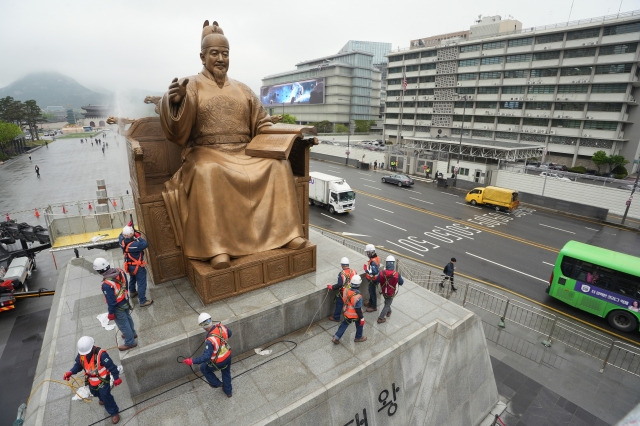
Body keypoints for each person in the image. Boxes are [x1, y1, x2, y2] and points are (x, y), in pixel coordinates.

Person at [160, 20, 306, 270]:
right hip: (206, 151)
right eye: (214, 53)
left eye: (225, 54)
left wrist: (281, 135)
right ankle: (217, 248)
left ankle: (287, 234)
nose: (220, 58)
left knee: (278, 166)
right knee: (207, 172)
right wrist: (175, 102)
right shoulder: (190, 85)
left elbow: (262, 122)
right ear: (202, 56)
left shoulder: (243, 89)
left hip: (244, 150)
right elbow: (176, 130)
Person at [63, 336, 122, 424]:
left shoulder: (102, 355)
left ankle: (114, 412)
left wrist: (116, 377)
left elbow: (111, 366)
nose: (84, 355)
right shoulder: (82, 355)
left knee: (105, 395)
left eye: (85, 353)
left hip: (103, 380)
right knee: (94, 392)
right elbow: (78, 365)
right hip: (91, 381)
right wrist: (70, 372)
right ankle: (101, 398)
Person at [182, 313, 233, 397]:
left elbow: (206, 357)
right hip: (228, 356)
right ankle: (228, 392)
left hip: (218, 362)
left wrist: (192, 361)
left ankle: (217, 384)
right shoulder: (221, 326)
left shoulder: (210, 340)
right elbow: (230, 333)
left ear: (203, 326)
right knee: (226, 373)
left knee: (204, 368)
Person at [93, 258, 137, 350]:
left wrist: (111, 313)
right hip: (125, 300)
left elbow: (111, 301)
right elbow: (126, 284)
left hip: (117, 306)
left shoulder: (107, 284)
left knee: (123, 324)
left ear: (99, 271)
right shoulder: (120, 271)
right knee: (128, 318)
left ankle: (130, 342)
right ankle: (132, 334)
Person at [118, 225, 153, 307]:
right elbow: (144, 244)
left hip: (129, 265)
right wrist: (139, 237)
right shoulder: (135, 244)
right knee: (141, 283)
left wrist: (128, 226)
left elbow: (120, 235)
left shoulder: (121, 241)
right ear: (132, 234)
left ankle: (132, 292)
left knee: (132, 278)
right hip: (138, 267)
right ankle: (142, 301)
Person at [331, 275, 367, 344]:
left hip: (347, 312)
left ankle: (336, 337)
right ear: (359, 284)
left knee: (343, 325)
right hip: (355, 315)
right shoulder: (358, 296)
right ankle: (358, 337)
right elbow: (358, 309)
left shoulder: (346, 290)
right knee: (359, 325)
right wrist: (361, 318)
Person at [327, 257, 358, 322]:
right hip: (353, 291)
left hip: (344, 293)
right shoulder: (354, 271)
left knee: (339, 304)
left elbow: (340, 284)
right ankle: (351, 314)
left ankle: (336, 317)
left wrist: (332, 287)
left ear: (342, 265)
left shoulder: (341, 274)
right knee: (350, 303)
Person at [377, 255, 404, 323]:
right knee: (387, 304)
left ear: (386, 263)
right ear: (393, 263)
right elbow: (401, 282)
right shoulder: (396, 274)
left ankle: (389, 311)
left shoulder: (381, 273)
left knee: (387, 301)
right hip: (391, 292)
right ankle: (381, 318)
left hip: (383, 291)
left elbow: (376, 280)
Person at [362, 244, 380, 313]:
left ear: (370, 252)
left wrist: (366, 270)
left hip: (373, 280)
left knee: (372, 293)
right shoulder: (376, 258)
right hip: (374, 279)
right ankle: (370, 302)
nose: (367, 254)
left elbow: (374, 272)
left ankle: (374, 306)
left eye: (367, 252)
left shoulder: (373, 262)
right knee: (371, 291)